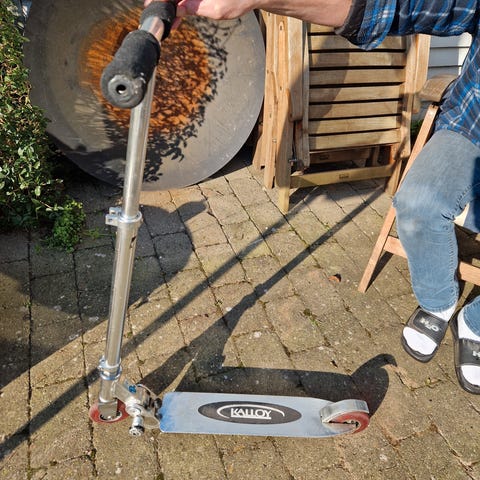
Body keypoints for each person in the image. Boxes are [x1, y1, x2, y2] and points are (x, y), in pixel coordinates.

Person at [147, 0, 480, 394]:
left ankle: (474, 323)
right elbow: (397, 7)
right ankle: (439, 302)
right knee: (417, 204)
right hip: (472, 124)